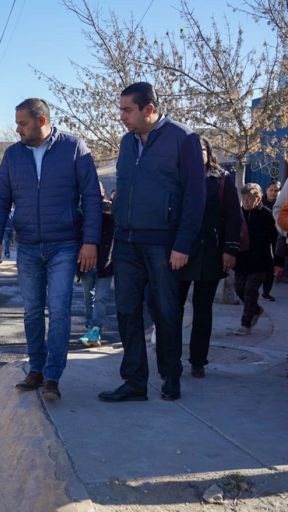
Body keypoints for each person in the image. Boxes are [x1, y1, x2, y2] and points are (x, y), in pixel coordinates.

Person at [0, 98, 101, 401]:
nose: (17, 129)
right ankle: (35, 369)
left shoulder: (74, 148)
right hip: (27, 246)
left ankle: (52, 376)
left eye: (22, 123)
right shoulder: (13, 155)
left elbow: (91, 197)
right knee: (32, 311)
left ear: (41, 120)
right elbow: (0, 199)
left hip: (64, 244)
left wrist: (90, 241)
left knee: (60, 310)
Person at [99, 82, 205, 403]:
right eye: (120, 110)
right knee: (126, 312)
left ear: (149, 109)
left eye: (127, 110)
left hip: (164, 244)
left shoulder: (182, 138)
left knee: (166, 312)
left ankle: (170, 377)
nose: (121, 117)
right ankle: (134, 382)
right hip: (127, 241)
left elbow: (195, 196)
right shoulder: (126, 143)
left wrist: (183, 244)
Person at [176, 137, 241, 378]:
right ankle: (172, 359)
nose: (197, 153)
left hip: (210, 253)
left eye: (201, 149)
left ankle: (198, 361)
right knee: (175, 308)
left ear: (208, 152)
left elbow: (233, 217)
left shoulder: (221, 179)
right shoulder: (177, 176)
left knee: (203, 309)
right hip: (180, 252)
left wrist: (229, 250)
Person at [233, 184, 280, 335]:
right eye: (244, 198)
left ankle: (245, 324)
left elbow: (275, 239)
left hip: (260, 262)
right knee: (239, 289)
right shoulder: (238, 214)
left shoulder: (266, 215)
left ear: (258, 199)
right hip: (241, 261)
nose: (246, 202)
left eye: (250, 199)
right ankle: (257, 310)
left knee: (250, 290)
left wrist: (278, 262)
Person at [77, 181, 114, 347]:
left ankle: (95, 329)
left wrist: (110, 211)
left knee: (100, 298)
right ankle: (90, 327)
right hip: (86, 261)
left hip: (106, 261)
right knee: (88, 297)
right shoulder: (82, 210)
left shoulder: (110, 209)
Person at [261, 181, 281, 301]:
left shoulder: (281, 205)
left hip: (275, 240)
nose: (273, 193)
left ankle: (266, 291)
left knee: (271, 265)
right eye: (271, 190)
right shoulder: (260, 203)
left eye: (276, 191)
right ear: (267, 190)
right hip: (261, 239)